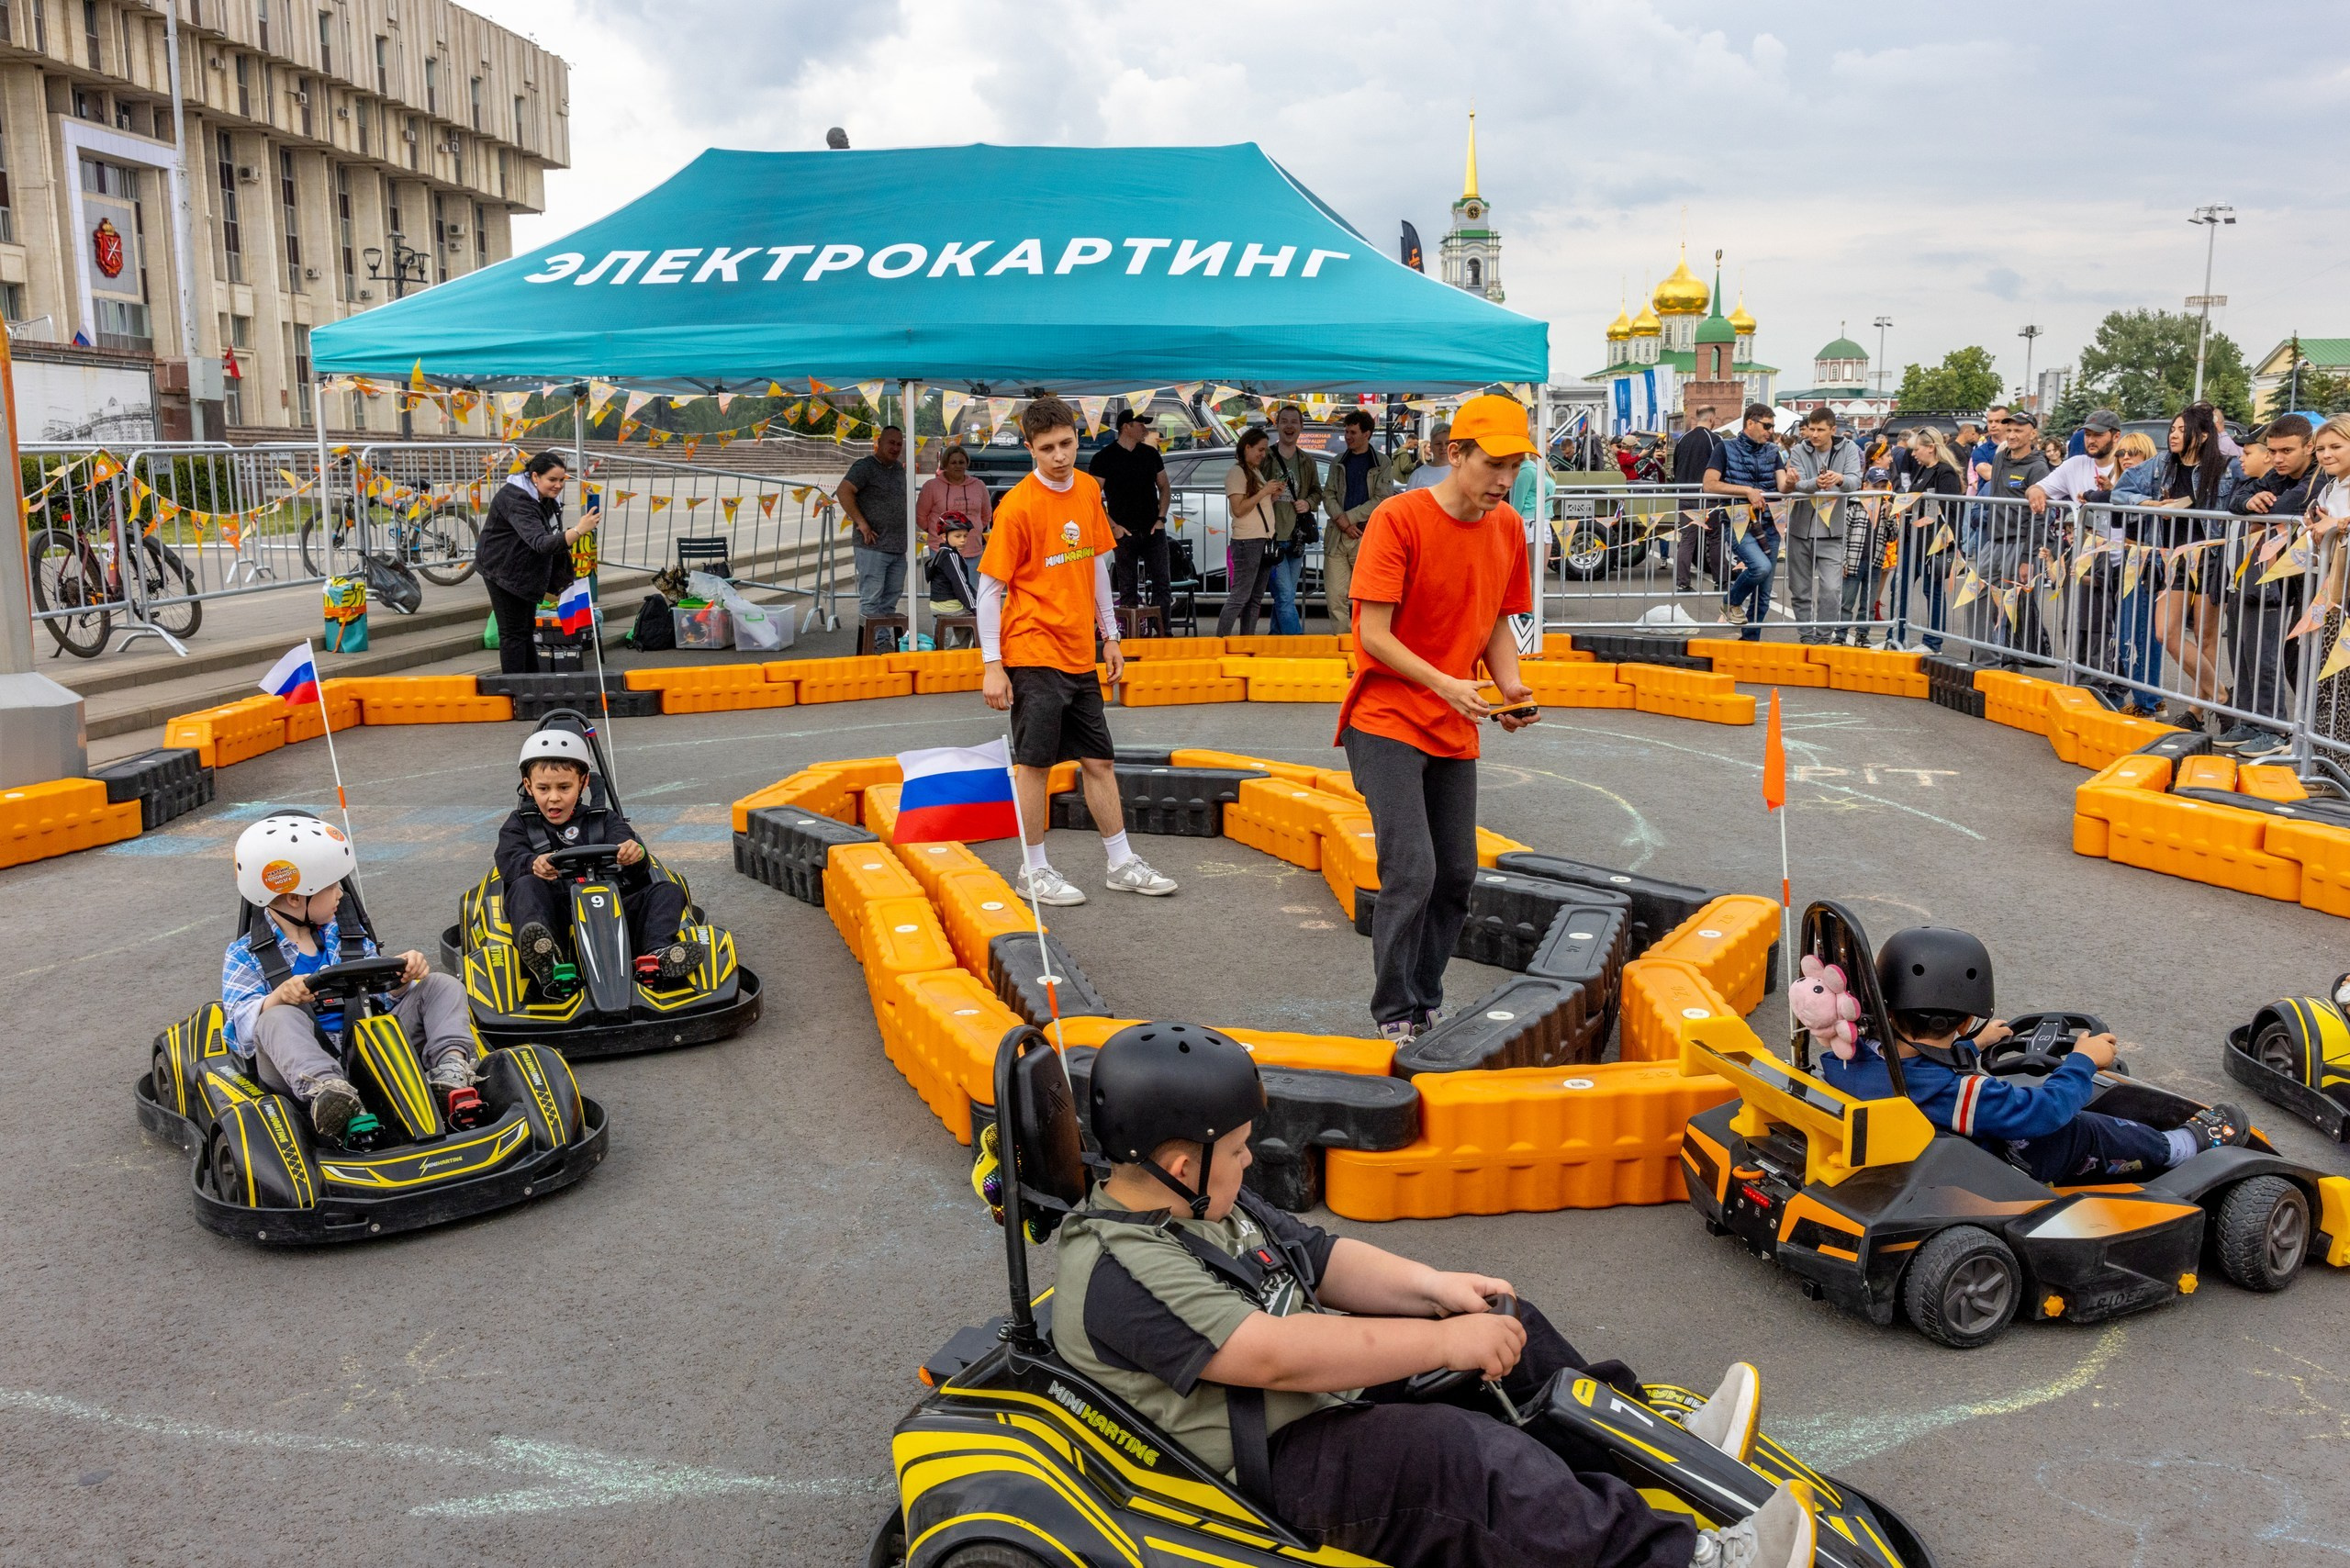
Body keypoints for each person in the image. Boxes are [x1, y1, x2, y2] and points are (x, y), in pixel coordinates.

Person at [1054, 1023, 1817, 1568]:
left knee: (1504, 1321)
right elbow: (1273, 1357)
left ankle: (1649, 1452)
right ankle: (1693, 1560)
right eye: (1239, 1150)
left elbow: (1319, 1256)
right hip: (1272, 1453)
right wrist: (1442, 1345)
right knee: (1462, 1460)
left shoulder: (1204, 1202)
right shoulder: (1118, 1273)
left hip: (1316, 1394)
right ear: (1182, 1164)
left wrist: (1440, 1295)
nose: (1250, 1160)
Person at [1338, 395, 1540, 1042]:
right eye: (1495, 464)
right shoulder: (1399, 519)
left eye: (1516, 467)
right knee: (1413, 870)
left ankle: (1426, 1000)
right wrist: (1447, 684)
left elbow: (1496, 624)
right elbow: (1373, 634)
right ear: (1457, 454)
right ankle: (1394, 1013)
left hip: (1454, 717)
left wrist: (1509, 688)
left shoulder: (1507, 528)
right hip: (1386, 715)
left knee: (1457, 872)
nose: (1505, 482)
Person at [1820, 926, 2252, 1184]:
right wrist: (2082, 1060)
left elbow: (1920, 1066)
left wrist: (1974, 1045)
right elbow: (2046, 1111)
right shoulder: (1964, 1094)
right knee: (2083, 1128)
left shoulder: (1858, 1057)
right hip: (1996, 1167)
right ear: (1964, 1017)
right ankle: (2177, 1146)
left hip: (1908, 1144)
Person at [979, 395, 1178, 904]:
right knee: (1035, 765)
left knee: (1100, 761)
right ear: (1030, 449)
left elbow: (1094, 568)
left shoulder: (1089, 488)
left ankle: (1120, 861)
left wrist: (1110, 635)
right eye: (1047, 449)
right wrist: (992, 665)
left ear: (1078, 438)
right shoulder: (1017, 507)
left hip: (1077, 651)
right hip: (1030, 650)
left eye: (1066, 444)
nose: (1060, 456)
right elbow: (989, 590)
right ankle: (1034, 870)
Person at [222, 813, 481, 1140]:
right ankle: (332, 1096)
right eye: (332, 888)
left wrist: (402, 976)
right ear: (294, 898)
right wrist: (277, 999)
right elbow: (237, 1033)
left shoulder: (346, 935)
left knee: (442, 984)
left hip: (365, 1047)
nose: (341, 895)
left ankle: (450, 1074)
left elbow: (382, 995)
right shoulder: (245, 954)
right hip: (297, 1071)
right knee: (276, 1019)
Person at [499, 728, 703, 996]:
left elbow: (632, 855)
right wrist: (533, 863)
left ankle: (655, 954)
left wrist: (633, 853)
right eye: (543, 788)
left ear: (583, 783)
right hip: (557, 914)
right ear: (528, 787)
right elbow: (508, 859)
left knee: (668, 889)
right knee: (525, 887)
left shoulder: (602, 819)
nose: (553, 797)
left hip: (613, 908)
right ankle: (549, 960)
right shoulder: (520, 825)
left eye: (564, 787)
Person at [2216, 413, 2322, 755]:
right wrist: (2248, 501)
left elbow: (2285, 506)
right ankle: (2253, 722)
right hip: (2281, 577)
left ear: (2310, 447)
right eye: (2273, 451)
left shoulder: (2319, 477)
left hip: (2311, 583)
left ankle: (2279, 730)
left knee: (2284, 660)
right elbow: (2236, 498)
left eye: (2286, 451)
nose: (2277, 459)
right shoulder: (2281, 475)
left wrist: (2257, 506)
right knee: (2249, 652)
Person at [477, 453, 593, 676]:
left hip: (524, 568)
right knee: (513, 633)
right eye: (552, 480)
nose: (558, 485)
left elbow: (546, 538)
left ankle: (533, 683)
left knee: (526, 629)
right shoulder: (515, 499)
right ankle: (516, 689)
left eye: (562, 480)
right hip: (501, 569)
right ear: (535, 477)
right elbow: (540, 542)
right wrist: (578, 530)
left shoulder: (544, 496)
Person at [1707, 404, 1788, 641]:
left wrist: (1792, 482)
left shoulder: (1773, 452)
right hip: (1739, 519)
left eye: (1772, 426)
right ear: (1750, 423)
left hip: (1771, 522)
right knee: (1760, 567)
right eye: (1767, 425)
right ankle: (1730, 601)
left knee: (1764, 592)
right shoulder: (1725, 448)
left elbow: (1783, 486)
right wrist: (1747, 491)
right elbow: (1710, 484)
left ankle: (1751, 639)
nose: (1770, 431)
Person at [1977, 408, 2053, 663]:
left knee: (2013, 606)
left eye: (2018, 430)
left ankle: (2012, 663)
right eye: (2008, 429)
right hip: (1994, 542)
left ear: (2033, 433)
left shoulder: (2038, 467)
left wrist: (2028, 556)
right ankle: (1984, 657)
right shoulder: (2000, 458)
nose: (2011, 434)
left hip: (2019, 543)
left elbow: (2040, 517)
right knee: (1978, 596)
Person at [1781, 409, 1860, 644]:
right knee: (1800, 589)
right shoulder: (1798, 450)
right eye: (1811, 429)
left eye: (1820, 430)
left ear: (1832, 430)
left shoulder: (1849, 449)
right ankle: (1807, 636)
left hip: (1833, 531)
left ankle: (1824, 638)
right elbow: (1798, 483)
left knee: (1831, 589)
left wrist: (1840, 479)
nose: (1814, 435)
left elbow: (1856, 480)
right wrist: (1814, 483)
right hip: (1800, 529)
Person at [1087, 409, 1172, 619]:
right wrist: (1113, 526)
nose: (1145, 428)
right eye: (1140, 424)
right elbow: (1091, 497)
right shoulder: (1104, 458)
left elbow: (1164, 487)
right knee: (1128, 589)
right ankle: (1132, 637)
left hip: (1153, 529)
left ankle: (1163, 633)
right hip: (1124, 532)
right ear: (1126, 426)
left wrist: (1161, 518)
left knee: (1162, 584)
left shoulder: (1150, 454)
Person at [1889, 427, 1965, 653]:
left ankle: (1933, 642)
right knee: (1898, 587)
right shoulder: (1923, 469)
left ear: (1930, 448)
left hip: (1935, 542)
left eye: (1917, 449)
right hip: (1914, 540)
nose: (1913, 454)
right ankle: (1896, 637)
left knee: (1931, 591)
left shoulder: (1945, 472)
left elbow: (1949, 510)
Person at [838, 424, 911, 653]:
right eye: (891, 443)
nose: (896, 448)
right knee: (872, 598)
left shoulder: (899, 468)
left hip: (898, 547)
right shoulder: (865, 467)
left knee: (891, 598)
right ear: (879, 443)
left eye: (899, 444)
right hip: (873, 547)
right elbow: (843, 491)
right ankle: (875, 644)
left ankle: (884, 640)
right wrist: (861, 522)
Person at [1323, 409, 1397, 627]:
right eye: (1346, 432)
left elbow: (1382, 498)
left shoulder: (1381, 462)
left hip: (1366, 536)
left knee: (1365, 598)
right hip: (1337, 537)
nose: (1348, 437)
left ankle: (1363, 646)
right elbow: (1328, 494)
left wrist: (1350, 518)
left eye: (1353, 432)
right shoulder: (1338, 460)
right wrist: (1342, 521)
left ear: (1367, 434)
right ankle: (1342, 644)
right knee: (1335, 597)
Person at [1261, 407, 1326, 633]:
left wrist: (1308, 503)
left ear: (1301, 427)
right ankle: (1297, 642)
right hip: (1272, 538)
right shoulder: (1265, 456)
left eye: (1294, 422)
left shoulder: (1307, 461)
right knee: (1286, 595)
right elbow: (1252, 490)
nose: (1289, 426)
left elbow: (1318, 491)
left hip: (1296, 538)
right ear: (1276, 425)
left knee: (1284, 597)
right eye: (1284, 421)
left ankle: (1276, 640)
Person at [1217, 427, 1285, 638]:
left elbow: (1256, 507)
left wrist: (1271, 496)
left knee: (1255, 598)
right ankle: (1220, 640)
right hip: (1248, 541)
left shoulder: (1254, 471)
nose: (1263, 455)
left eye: (1264, 451)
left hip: (1261, 540)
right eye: (1260, 450)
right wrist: (1264, 491)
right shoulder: (1237, 472)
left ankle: (1246, 640)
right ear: (1247, 447)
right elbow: (1238, 509)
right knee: (1240, 596)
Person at [1672, 407, 1728, 593]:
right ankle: (1721, 581)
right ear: (1712, 418)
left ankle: (1682, 583)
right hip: (1707, 496)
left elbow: (1676, 466)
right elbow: (1721, 468)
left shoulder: (1683, 440)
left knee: (1687, 540)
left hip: (1685, 495)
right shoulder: (1715, 440)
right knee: (1715, 538)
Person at [917, 442, 993, 559]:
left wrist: (971, 530)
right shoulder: (931, 486)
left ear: (967, 464)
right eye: (953, 462)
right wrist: (937, 531)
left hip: (973, 550)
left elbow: (986, 515)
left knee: (971, 579)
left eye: (961, 462)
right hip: (941, 551)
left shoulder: (979, 485)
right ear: (945, 465)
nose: (958, 466)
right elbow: (921, 517)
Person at [924, 518, 981, 643]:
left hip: (939, 603)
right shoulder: (951, 556)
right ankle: (969, 651)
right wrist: (975, 607)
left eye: (965, 536)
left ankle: (957, 649)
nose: (963, 540)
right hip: (949, 604)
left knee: (970, 620)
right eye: (958, 536)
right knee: (982, 616)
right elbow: (961, 584)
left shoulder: (943, 553)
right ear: (944, 537)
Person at [1406, 421, 1453, 490]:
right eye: (1438, 443)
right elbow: (1408, 500)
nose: (1443, 447)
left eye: (1447, 443)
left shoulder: (1463, 471)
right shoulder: (1418, 475)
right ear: (1431, 446)